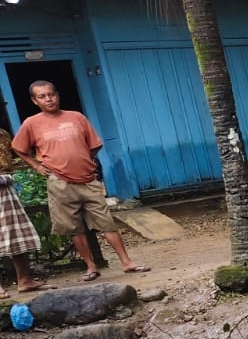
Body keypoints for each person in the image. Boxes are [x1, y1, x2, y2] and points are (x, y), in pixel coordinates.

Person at [11, 82, 147, 281]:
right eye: (42, 96)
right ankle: (91, 267)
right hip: (59, 182)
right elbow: (19, 148)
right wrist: (36, 166)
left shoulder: (76, 117)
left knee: (106, 222)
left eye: (51, 94)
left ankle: (127, 262)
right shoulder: (32, 123)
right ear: (34, 101)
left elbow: (95, 145)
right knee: (73, 227)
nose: (48, 99)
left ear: (57, 95)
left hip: (88, 180)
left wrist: (83, 159)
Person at [0, 128, 47, 296]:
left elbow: (8, 163)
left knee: (17, 235)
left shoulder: (3, 135)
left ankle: (25, 280)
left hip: (5, 189)